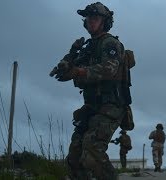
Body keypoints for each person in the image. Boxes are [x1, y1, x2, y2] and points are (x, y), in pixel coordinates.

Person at [50, 2, 133, 180]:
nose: (90, 22)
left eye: (95, 18)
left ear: (104, 22)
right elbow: (67, 72)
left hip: (111, 105)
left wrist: (79, 71)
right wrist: (70, 57)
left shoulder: (110, 43)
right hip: (92, 106)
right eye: (88, 19)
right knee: (74, 156)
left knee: (93, 151)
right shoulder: (88, 47)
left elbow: (109, 69)